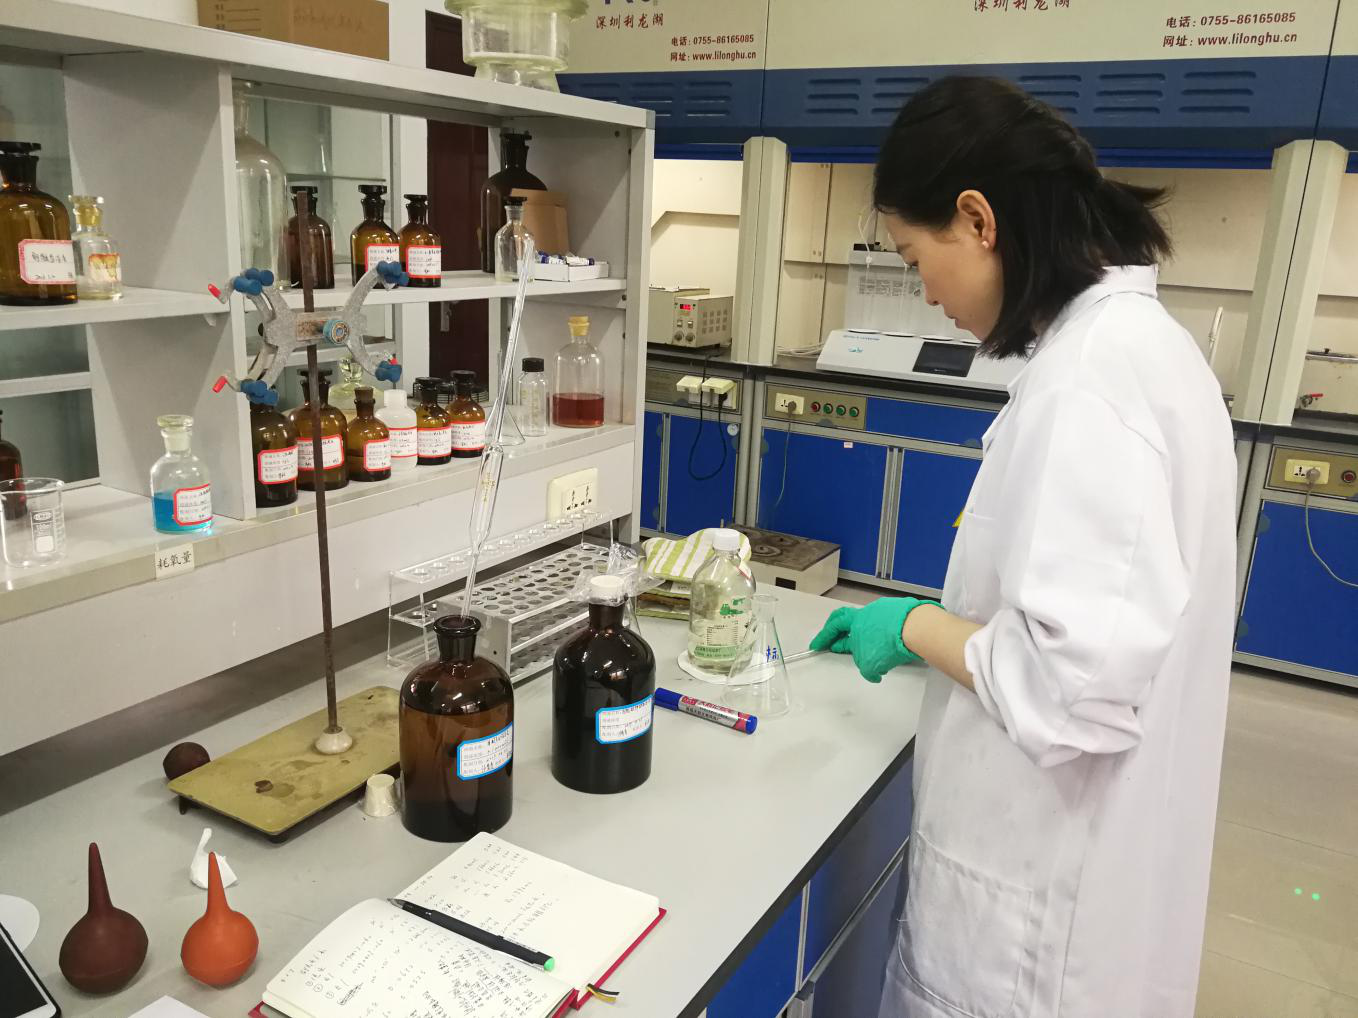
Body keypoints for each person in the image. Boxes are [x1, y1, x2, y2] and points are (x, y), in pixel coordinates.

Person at [811, 76, 1236, 1018]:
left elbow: (1067, 686)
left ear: (978, 219)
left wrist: (913, 626)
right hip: (1087, 888)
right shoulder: (1139, 349)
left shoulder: (1092, 382)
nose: (925, 292)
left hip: (1031, 934)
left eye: (915, 258)